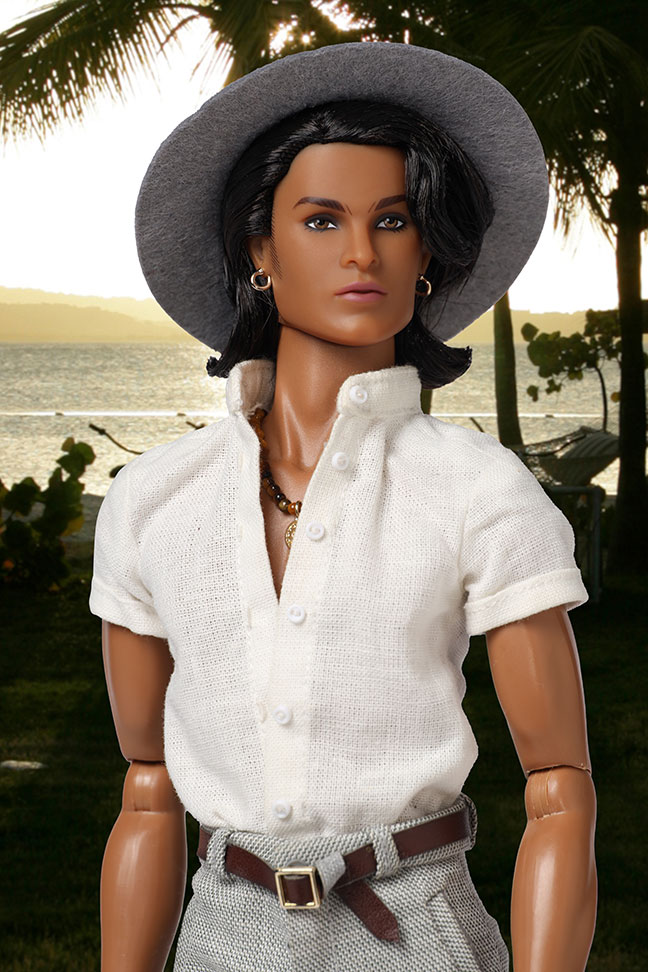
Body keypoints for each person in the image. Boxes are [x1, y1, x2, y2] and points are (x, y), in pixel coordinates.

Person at [89, 42, 597, 972]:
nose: (362, 252)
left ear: (427, 253)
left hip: (415, 930)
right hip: (223, 934)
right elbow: (146, 786)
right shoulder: (153, 502)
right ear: (260, 250)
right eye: (321, 220)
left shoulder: (478, 491)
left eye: (393, 220)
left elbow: (559, 785)